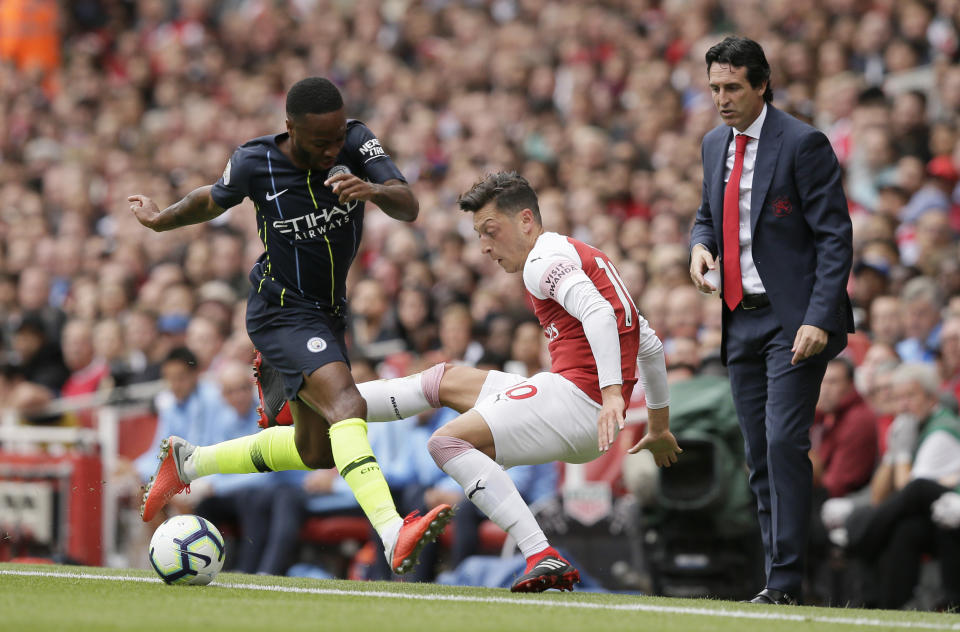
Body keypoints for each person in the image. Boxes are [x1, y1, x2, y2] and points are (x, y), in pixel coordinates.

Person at [127, 76, 453, 576]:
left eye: (337, 138)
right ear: (290, 128)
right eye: (320, 142)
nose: (332, 150)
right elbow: (210, 200)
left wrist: (371, 188)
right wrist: (159, 219)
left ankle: (189, 462)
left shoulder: (359, 142)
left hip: (327, 312)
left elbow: (408, 204)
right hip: (279, 308)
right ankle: (392, 532)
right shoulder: (255, 161)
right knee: (349, 403)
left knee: (316, 450)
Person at [351, 172, 681, 592]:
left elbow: (597, 314)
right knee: (444, 380)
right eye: (478, 235)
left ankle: (540, 553)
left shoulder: (542, 263)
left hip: (578, 405)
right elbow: (649, 346)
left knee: (445, 442)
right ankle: (329, 403)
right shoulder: (584, 255)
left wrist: (613, 393)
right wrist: (658, 425)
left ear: (526, 220)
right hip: (577, 403)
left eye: (491, 231)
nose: (485, 246)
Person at [689, 37, 854, 605]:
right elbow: (708, 214)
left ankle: (785, 584)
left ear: (762, 84)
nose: (722, 98)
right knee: (759, 455)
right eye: (714, 88)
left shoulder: (804, 143)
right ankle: (775, 580)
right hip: (739, 320)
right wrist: (700, 248)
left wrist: (820, 318)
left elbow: (835, 236)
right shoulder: (714, 144)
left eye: (733, 87)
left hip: (794, 323)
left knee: (784, 443)